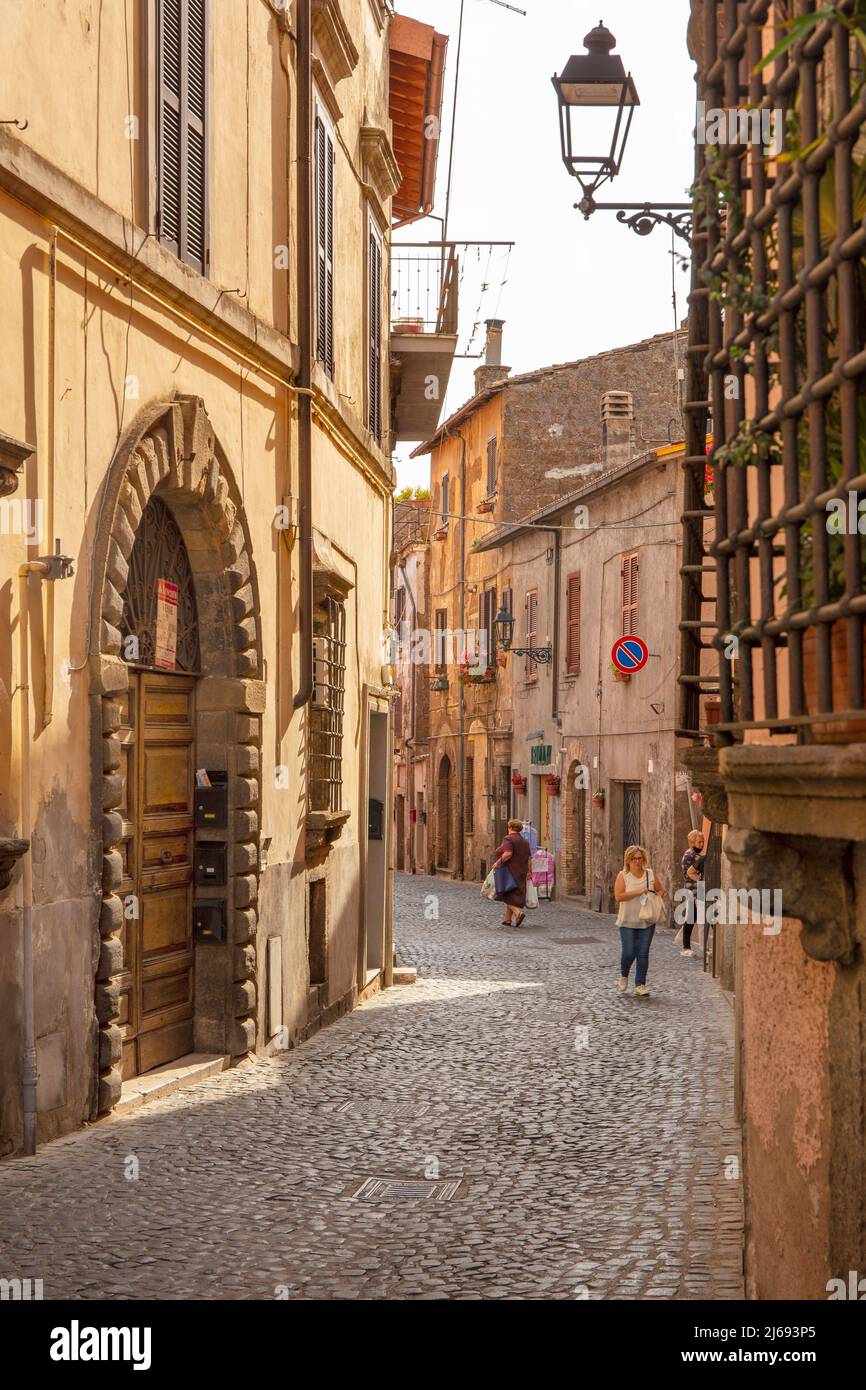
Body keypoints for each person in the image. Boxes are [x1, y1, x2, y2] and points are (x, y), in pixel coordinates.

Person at [614, 844, 665, 997]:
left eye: (639, 858)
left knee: (643, 953)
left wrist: (655, 898)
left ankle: (640, 984)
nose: (637, 861)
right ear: (628, 860)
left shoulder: (649, 874)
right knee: (629, 952)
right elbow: (619, 896)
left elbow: (661, 890)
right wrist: (638, 892)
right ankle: (624, 975)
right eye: (634, 859)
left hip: (647, 920)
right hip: (627, 921)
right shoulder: (623, 875)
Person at [492, 818, 533, 928]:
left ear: (510, 828)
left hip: (509, 871)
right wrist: (529, 871)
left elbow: (507, 854)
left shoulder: (509, 839)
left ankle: (518, 913)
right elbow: (529, 858)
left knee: (506, 894)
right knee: (512, 894)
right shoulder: (525, 842)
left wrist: (497, 863)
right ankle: (507, 919)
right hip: (521, 871)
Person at [680, 829, 706, 957]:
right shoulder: (689, 856)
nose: (701, 844)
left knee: (693, 917)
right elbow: (690, 874)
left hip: (698, 890)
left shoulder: (697, 856)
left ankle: (689, 946)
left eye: (703, 842)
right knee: (690, 918)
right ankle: (685, 947)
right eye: (699, 842)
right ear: (692, 842)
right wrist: (702, 882)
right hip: (692, 890)